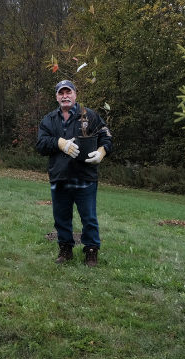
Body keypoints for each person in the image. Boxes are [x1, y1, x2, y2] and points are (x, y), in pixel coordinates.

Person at [35, 80, 113, 267]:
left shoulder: (90, 116)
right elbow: (41, 145)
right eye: (61, 93)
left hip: (84, 177)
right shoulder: (49, 120)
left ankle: (91, 252)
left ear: (75, 94)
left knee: (89, 218)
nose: (65, 96)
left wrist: (102, 151)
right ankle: (65, 250)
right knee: (61, 217)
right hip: (60, 177)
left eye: (68, 92)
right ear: (56, 97)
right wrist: (59, 143)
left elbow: (106, 136)